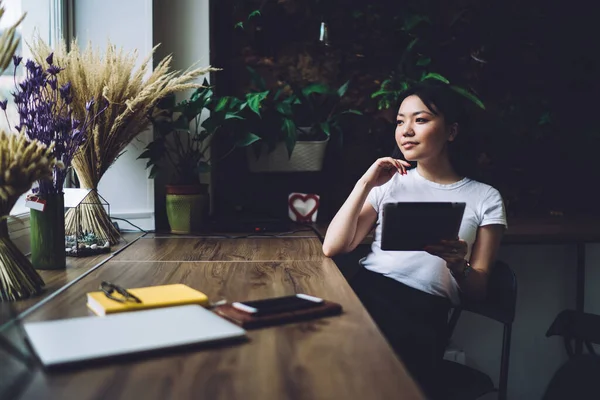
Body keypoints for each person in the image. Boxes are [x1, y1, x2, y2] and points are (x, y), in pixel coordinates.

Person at [322, 81, 507, 398]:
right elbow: (334, 246)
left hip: (424, 312)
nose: (406, 130)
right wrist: (366, 183)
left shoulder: (484, 197)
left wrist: (457, 265)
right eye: (400, 121)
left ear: (451, 131)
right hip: (368, 292)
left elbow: (478, 292)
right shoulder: (389, 183)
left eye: (420, 120)